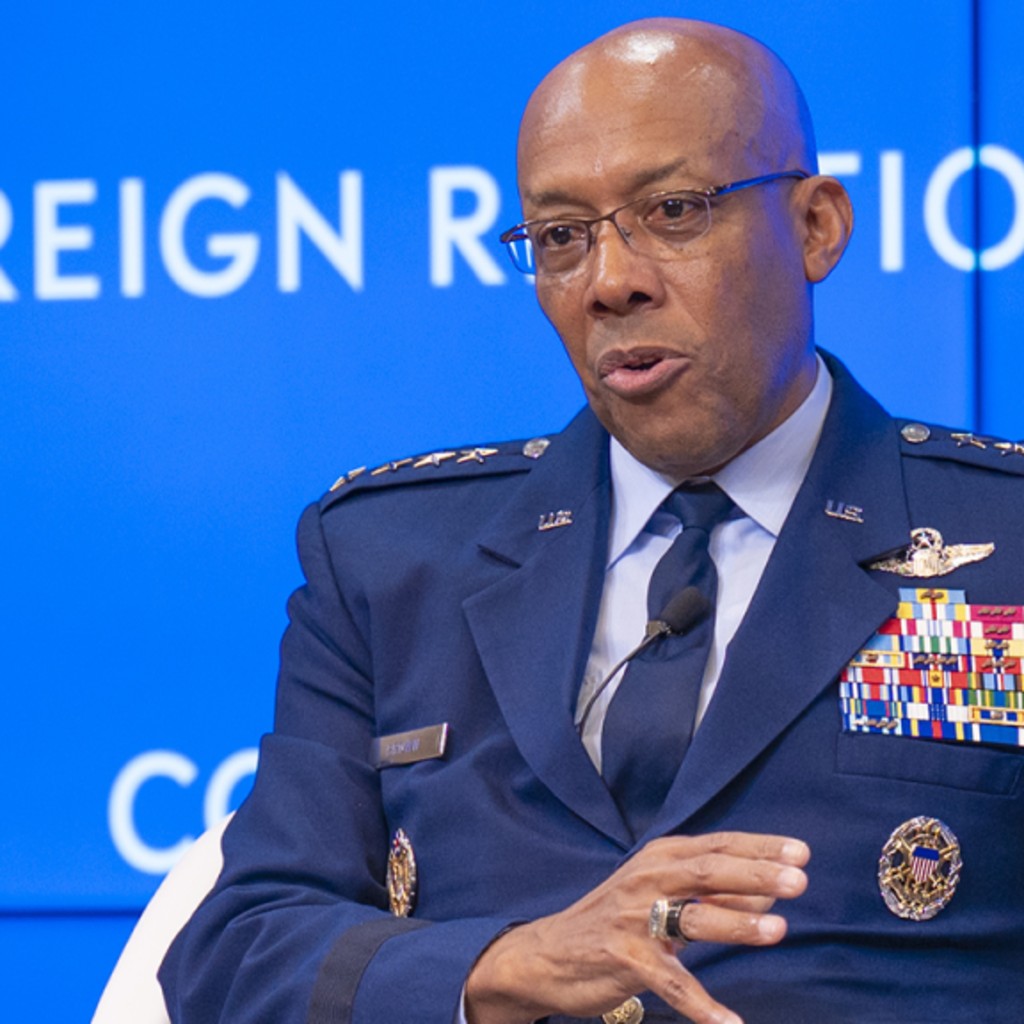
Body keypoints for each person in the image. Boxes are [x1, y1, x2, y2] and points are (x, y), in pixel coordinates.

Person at [160, 17, 1024, 1024]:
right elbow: (238, 952)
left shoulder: (1000, 537)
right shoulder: (389, 559)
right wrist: (501, 966)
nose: (612, 281)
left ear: (816, 227)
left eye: (673, 211)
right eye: (561, 237)